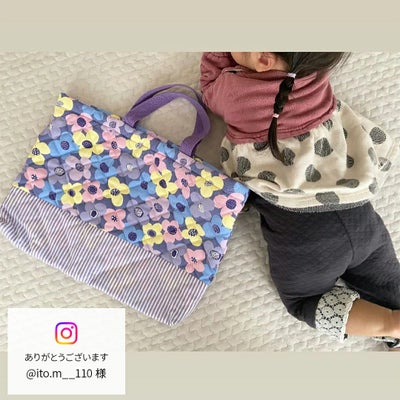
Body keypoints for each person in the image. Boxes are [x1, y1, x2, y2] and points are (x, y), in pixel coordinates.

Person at [200, 52, 400, 350]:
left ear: (264, 60)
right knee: (389, 284)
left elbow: (208, 86)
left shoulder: (234, 92)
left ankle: (388, 324)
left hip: (305, 237)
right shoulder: (316, 73)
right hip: (360, 221)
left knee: (303, 301)